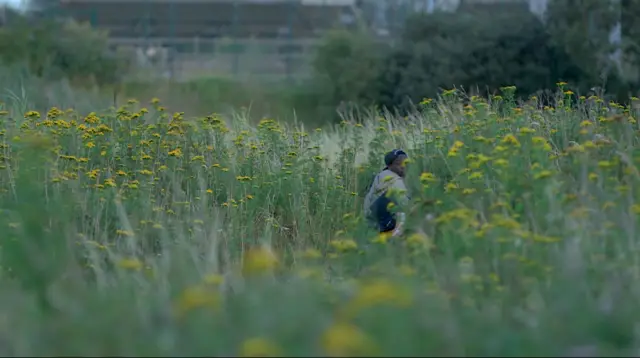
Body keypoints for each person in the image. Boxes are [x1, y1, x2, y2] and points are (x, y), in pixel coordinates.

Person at [364, 149, 410, 236]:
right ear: (389, 165)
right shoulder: (392, 178)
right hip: (385, 223)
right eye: (398, 163)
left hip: (374, 223)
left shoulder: (381, 175)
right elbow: (405, 204)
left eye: (405, 163)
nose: (403, 166)